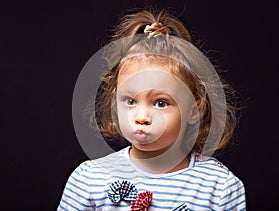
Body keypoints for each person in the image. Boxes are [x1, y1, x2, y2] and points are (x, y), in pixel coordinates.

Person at [58, 9, 246, 210]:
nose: (141, 117)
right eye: (130, 100)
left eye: (161, 103)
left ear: (194, 109)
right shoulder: (89, 179)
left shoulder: (218, 187)